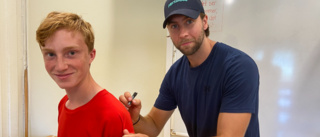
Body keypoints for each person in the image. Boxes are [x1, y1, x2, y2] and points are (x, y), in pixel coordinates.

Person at [120, 0, 260, 136]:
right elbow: (154, 126)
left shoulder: (239, 66)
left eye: (189, 22)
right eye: (174, 26)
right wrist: (135, 119)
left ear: (204, 22)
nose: (183, 34)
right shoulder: (175, 73)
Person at [36, 11, 134, 137]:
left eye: (71, 53)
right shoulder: (64, 104)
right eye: (51, 54)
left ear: (91, 55)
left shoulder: (112, 115)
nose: (60, 66)